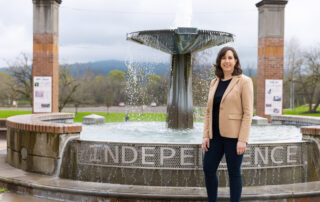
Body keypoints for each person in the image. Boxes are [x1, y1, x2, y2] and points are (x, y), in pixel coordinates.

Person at [202, 46, 253, 202]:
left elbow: (248, 113)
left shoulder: (244, 81)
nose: (227, 61)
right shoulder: (214, 82)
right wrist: (205, 135)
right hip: (215, 136)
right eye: (223, 58)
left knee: (234, 173)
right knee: (208, 168)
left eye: (230, 58)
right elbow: (208, 111)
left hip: (234, 137)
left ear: (235, 60)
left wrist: (242, 139)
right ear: (219, 62)